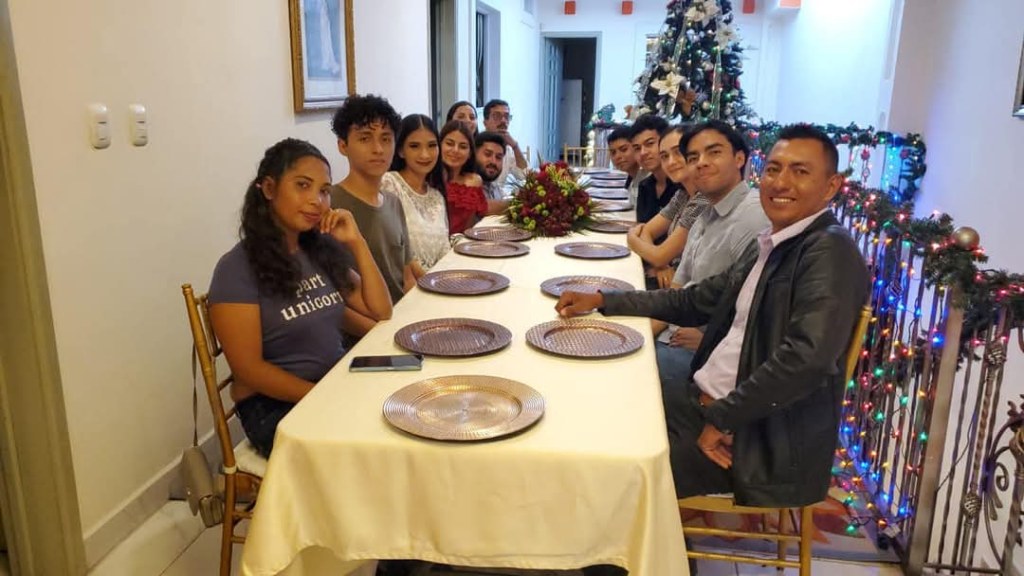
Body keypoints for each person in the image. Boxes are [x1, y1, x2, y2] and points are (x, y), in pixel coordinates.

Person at [556, 124, 870, 513]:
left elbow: (806, 360)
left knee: (606, 471)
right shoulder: (777, 243)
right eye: (774, 169)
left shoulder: (828, 252)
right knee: (599, 401)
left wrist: (722, 419)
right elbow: (695, 300)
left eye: (800, 171)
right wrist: (603, 300)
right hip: (711, 403)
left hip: (752, 441)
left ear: (831, 185)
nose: (781, 182)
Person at [208, 138, 392, 457]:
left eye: (323, 190)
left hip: (333, 380)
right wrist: (324, 395)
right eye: (303, 186)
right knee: (378, 448)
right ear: (268, 188)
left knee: (405, 407)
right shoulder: (236, 268)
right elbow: (249, 369)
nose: (316, 201)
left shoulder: (317, 251)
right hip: (275, 407)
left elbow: (381, 310)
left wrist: (357, 242)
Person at [654, 119, 770, 387]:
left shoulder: (752, 217)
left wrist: (712, 340)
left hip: (708, 360)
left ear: (740, 158)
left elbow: (760, 311)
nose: (701, 163)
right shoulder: (705, 211)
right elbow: (677, 290)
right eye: (693, 157)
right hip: (674, 335)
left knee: (623, 374)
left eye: (714, 152)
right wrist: (639, 334)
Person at [330, 94, 419, 338]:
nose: (378, 149)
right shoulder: (330, 206)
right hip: (361, 339)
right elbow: (332, 301)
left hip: (400, 325)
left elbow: (406, 277)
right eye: (365, 138)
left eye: (386, 139)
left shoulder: (393, 203)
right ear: (343, 145)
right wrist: (382, 337)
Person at [626, 124, 709, 289]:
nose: (671, 162)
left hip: (684, 291)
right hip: (668, 280)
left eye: (678, 152)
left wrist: (631, 238)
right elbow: (647, 231)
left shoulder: (703, 199)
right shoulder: (683, 194)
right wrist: (660, 265)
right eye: (664, 156)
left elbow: (659, 254)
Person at [380, 114, 451, 270]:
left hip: (438, 283)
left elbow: (444, 251)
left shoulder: (437, 197)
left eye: (432, 145)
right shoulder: (389, 183)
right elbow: (390, 248)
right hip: (403, 286)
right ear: (400, 151)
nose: (425, 154)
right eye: (414, 146)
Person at [439, 120, 499, 235]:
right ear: (439, 145)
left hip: (461, 245)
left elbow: (470, 226)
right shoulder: (430, 179)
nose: (455, 150)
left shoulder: (474, 181)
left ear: (470, 153)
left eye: (463, 146)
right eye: (449, 144)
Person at [631, 114, 679, 229]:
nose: (643, 153)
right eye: (637, 148)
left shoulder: (683, 187)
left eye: (649, 144)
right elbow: (641, 229)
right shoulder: (644, 185)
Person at [482, 99, 527, 190]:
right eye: (497, 116)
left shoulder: (508, 148)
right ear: (485, 122)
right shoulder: (477, 146)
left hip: (500, 197)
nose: (503, 121)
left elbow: (524, 175)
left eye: (506, 117)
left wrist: (515, 146)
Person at [607, 124, 644, 207]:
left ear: (637, 147)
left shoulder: (648, 180)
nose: (618, 156)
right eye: (613, 152)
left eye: (623, 149)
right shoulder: (632, 180)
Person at [474, 131, 512, 210]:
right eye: (487, 154)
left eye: (498, 157)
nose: (493, 161)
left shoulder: (495, 188)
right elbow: (480, 207)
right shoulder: (465, 185)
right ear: (473, 155)